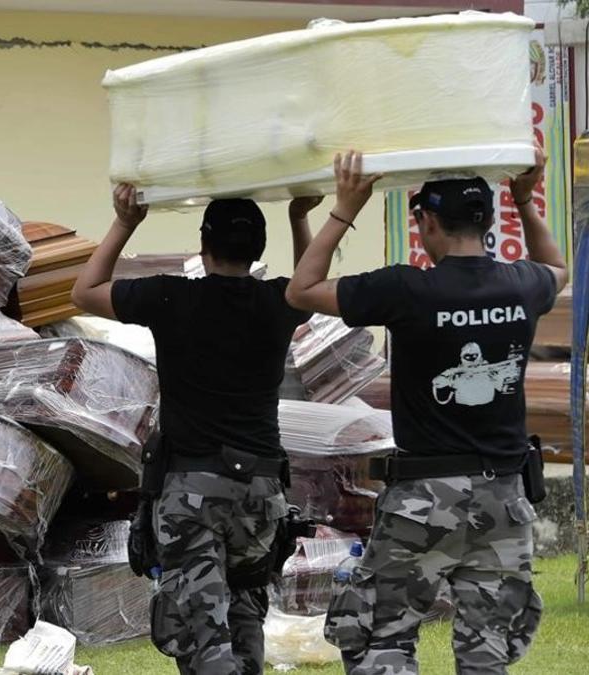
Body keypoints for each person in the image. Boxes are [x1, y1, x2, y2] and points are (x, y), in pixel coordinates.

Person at [286, 147, 567, 675]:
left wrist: (345, 207)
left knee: (383, 640)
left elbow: (301, 291)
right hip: (504, 500)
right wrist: (527, 201)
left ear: (429, 222)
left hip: (423, 501)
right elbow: (557, 267)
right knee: (486, 652)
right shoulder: (523, 285)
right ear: (487, 221)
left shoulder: (406, 289)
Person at [70, 184, 318, 674]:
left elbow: (83, 292)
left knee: (203, 632)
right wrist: (299, 217)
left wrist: (126, 221)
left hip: (193, 493)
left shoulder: (170, 295)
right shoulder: (277, 301)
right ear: (259, 249)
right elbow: (310, 283)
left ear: (203, 247)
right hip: (262, 492)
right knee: (246, 616)